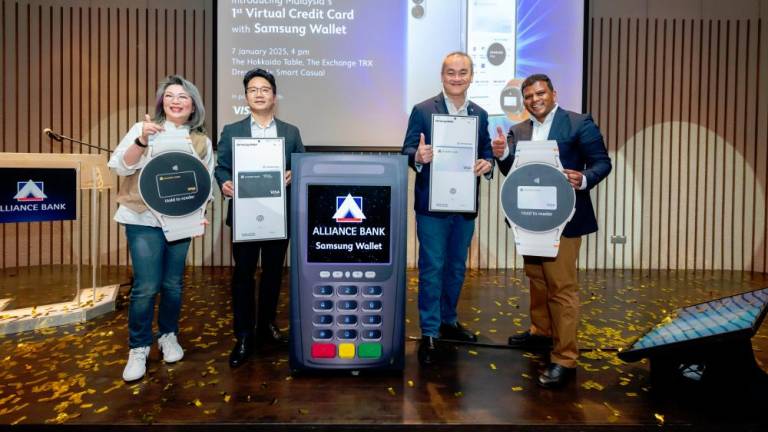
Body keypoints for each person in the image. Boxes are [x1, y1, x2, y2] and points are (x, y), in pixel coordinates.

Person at [492, 73, 611, 388]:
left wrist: (583, 179)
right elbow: (511, 170)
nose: (534, 100)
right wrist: (503, 153)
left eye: (540, 93)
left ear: (554, 94)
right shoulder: (519, 131)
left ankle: (565, 359)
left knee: (561, 287)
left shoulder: (578, 123)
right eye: (529, 96)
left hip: (565, 221)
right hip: (530, 219)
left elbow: (602, 163)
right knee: (537, 279)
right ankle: (541, 333)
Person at [109, 75, 213, 382]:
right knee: (145, 286)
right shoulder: (144, 131)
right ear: (161, 102)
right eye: (170, 96)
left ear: (193, 104)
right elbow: (119, 166)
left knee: (172, 285)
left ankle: (168, 335)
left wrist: (199, 217)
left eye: (183, 96)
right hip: (142, 219)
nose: (176, 101)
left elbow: (203, 186)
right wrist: (141, 140)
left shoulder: (201, 141)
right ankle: (138, 347)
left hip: (181, 222)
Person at [402, 52, 494, 366]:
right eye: (451, 73)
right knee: (432, 268)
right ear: (442, 76)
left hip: (465, 205)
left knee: (456, 267)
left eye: (463, 72)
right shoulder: (423, 110)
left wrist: (488, 162)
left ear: (471, 76)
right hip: (432, 206)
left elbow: (485, 152)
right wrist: (419, 155)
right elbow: (407, 150)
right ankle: (429, 331)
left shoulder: (480, 114)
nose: (457, 78)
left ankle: (448, 321)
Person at [215, 68, 305, 368]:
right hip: (245, 217)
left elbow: (301, 163)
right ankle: (243, 334)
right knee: (243, 276)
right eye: (253, 89)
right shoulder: (232, 130)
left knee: (272, 275)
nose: (259, 93)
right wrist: (224, 182)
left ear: (274, 96)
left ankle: (266, 326)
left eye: (264, 89)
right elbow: (222, 167)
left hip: (278, 217)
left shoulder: (290, 132)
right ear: (245, 97)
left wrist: (296, 172)